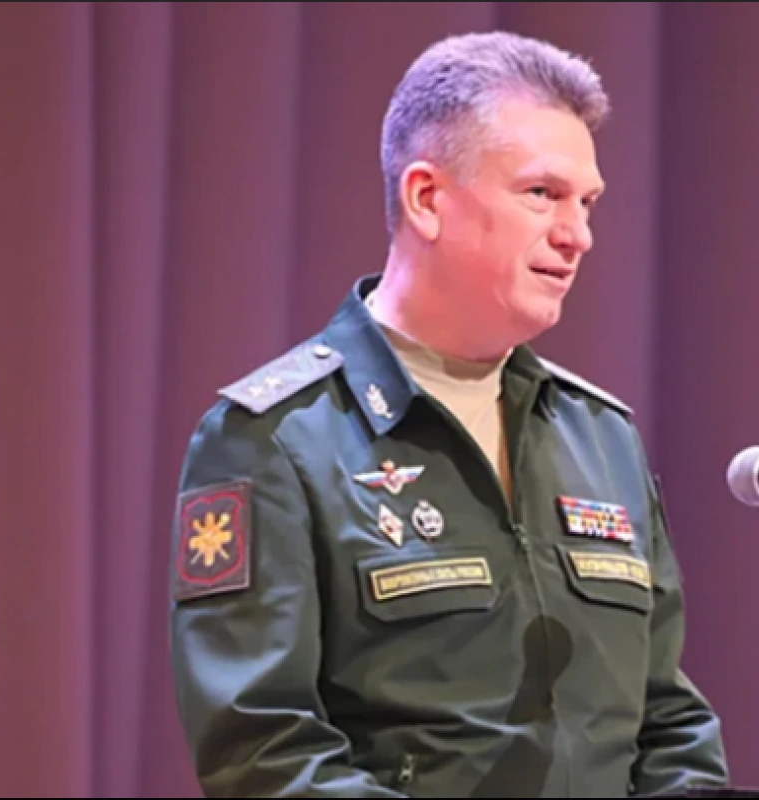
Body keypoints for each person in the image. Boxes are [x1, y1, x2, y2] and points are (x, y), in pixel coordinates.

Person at [168, 29, 730, 798]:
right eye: (542, 194)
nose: (578, 235)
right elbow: (265, 754)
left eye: (587, 202)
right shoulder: (275, 438)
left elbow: (668, 722)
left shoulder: (601, 436)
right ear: (427, 199)